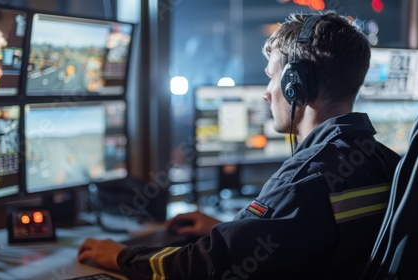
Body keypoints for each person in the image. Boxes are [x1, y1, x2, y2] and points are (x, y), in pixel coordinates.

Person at [78, 10, 401, 279]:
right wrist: (229, 230)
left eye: (272, 77)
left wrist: (121, 256)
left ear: (295, 85)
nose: (266, 91)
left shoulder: (306, 180)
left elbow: (204, 268)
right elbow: (302, 236)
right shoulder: (386, 161)